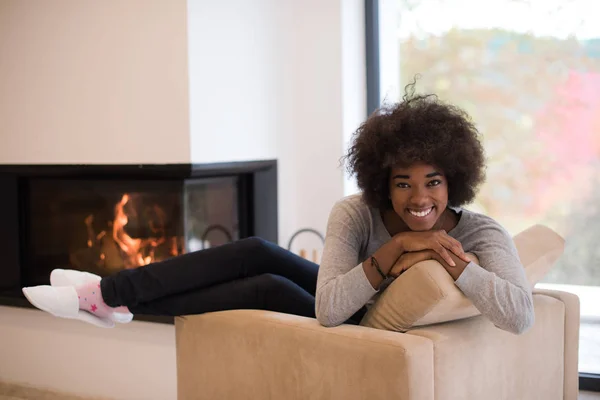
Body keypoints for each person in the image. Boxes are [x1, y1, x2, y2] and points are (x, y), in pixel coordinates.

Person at [22, 84, 534, 334]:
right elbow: (333, 297)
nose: (419, 199)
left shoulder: (482, 234)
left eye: (434, 182)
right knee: (256, 249)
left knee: (266, 287)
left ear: (454, 179)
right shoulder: (355, 213)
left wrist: (444, 257)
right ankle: (111, 293)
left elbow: (521, 316)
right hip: (353, 298)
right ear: (383, 180)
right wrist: (398, 247)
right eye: (403, 183)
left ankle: (107, 300)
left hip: (366, 322)